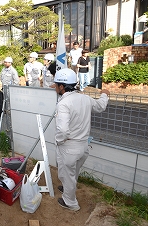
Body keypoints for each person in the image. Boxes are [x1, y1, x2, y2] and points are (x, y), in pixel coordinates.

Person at [53, 68, 109, 211]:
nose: (54, 87)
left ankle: (70, 203)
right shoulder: (85, 98)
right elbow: (101, 106)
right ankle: (67, 188)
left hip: (69, 146)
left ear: (62, 87)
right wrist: (104, 95)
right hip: (83, 146)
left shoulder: (64, 104)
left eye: (56, 85)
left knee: (68, 173)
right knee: (72, 173)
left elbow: (63, 130)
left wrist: (59, 140)